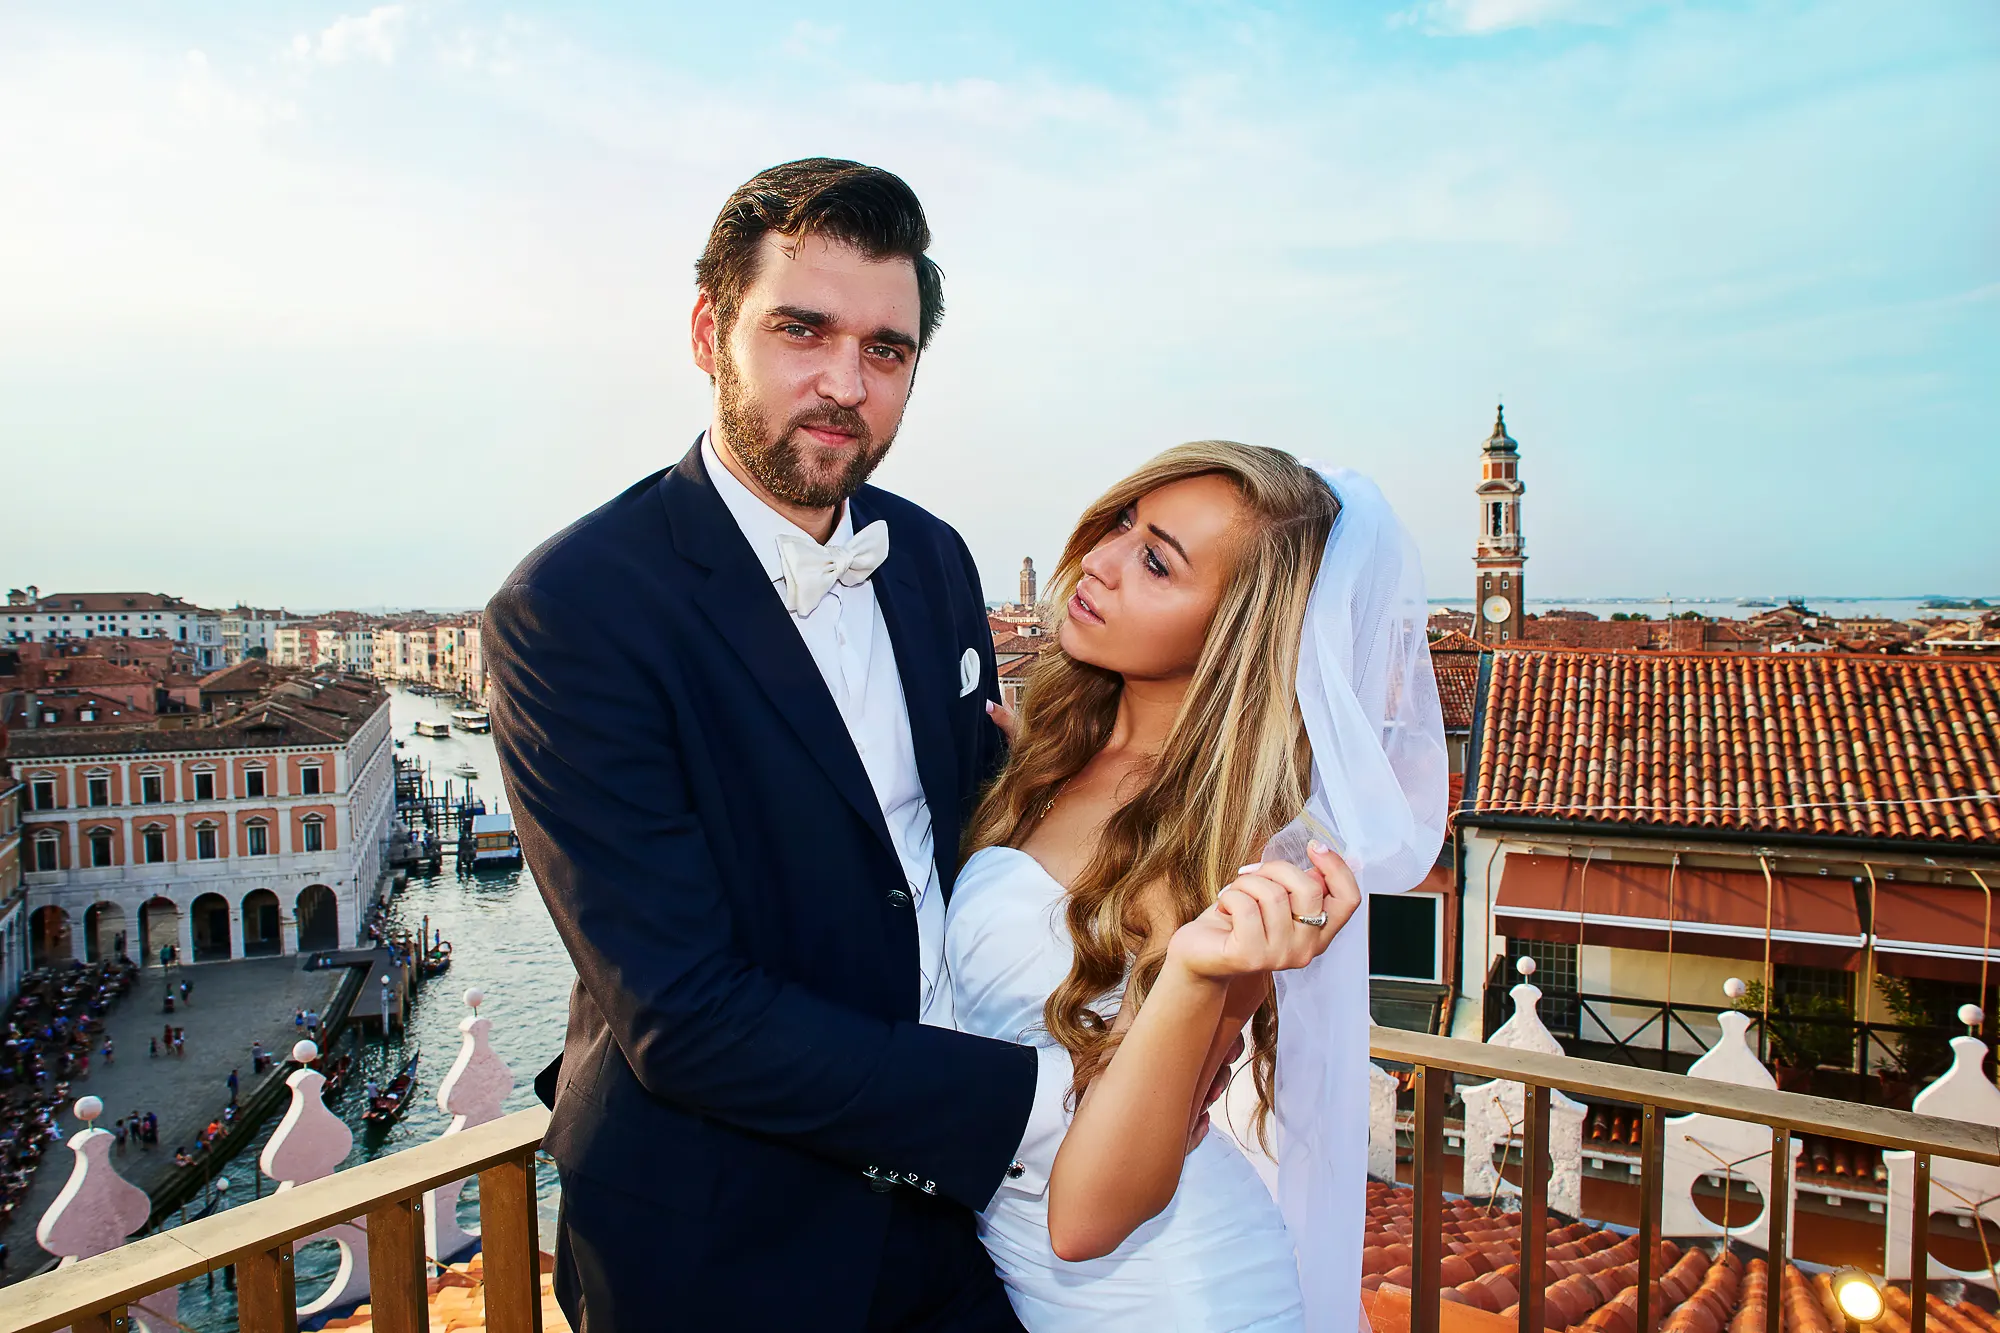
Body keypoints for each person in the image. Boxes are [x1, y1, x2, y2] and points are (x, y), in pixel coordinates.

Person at [484, 159, 1296, 1333]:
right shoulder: (574, 606)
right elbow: (683, 1015)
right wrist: (1038, 1099)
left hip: (952, 1224)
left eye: (886, 350)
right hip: (725, 1232)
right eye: (800, 331)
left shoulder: (927, 560)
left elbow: (944, 837)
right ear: (711, 330)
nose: (842, 384)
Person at [944, 445, 1447, 1330]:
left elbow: (1086, 1219)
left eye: (1155, 561)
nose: (1098, 559)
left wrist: (1195, 975)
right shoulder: (1059, 750)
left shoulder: (1242, 860)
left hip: (1167, 1298)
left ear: (1232, 634)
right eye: (1124, 522)